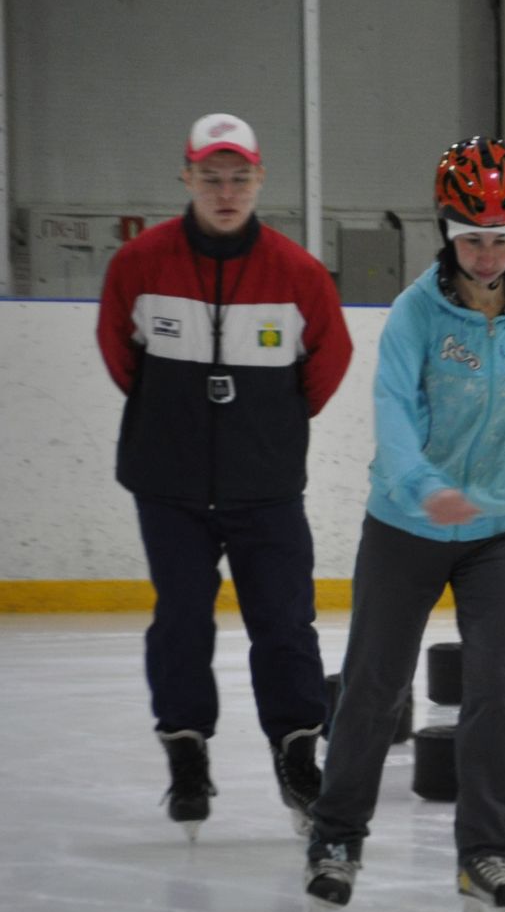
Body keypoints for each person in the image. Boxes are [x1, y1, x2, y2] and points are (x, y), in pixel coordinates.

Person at [303, 137, 505, 912]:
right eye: (470, 238)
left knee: (496, 686)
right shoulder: (416, 312)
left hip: (498, 529)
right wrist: (425, 488)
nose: (485, 256)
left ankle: (485, 853)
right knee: (374, 686)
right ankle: (337, 839)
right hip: (406, 525)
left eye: (501, 239)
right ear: (445, 232)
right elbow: (392, 410)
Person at [96, 113, 353, 843]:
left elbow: (326, 363)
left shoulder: (298, 273)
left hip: (265, 488)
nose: (226, 190)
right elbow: (121, 353)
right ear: (187, 179)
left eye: (239, 176)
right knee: (180, 619)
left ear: (259, 180)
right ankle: (186, 751)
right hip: (168, 486)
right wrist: (168, 420)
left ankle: (297, 753)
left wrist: (265, 433)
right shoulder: (139, 264)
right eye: (211, 176)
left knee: (284, 624)